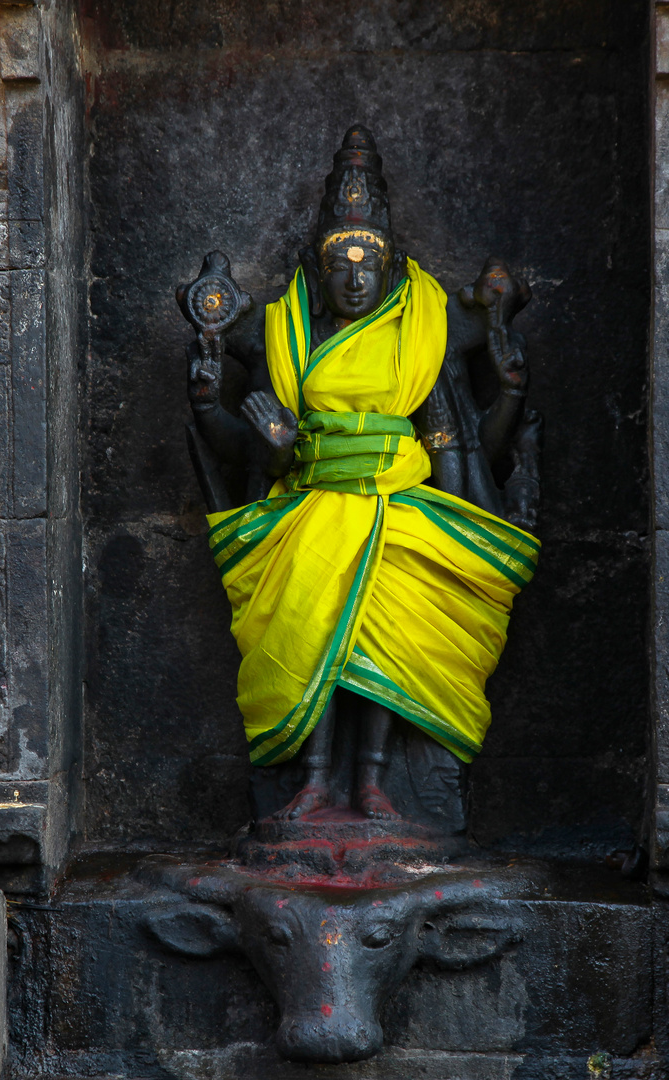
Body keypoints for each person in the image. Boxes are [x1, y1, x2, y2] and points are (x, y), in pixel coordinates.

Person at [189, 128, 539, 820]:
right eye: (340, 264)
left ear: (390, 267)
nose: (353, 278)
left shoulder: (422, 335)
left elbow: (456, 448)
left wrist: (510, 398)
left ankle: (375, 780)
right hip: (309, 504)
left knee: (388, 634)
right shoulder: (286, 335)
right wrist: (248, 426)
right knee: (313, 634)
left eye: (366, 265)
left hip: (398, 505)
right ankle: (314, 780)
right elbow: (247, 449)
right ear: (318, 272)